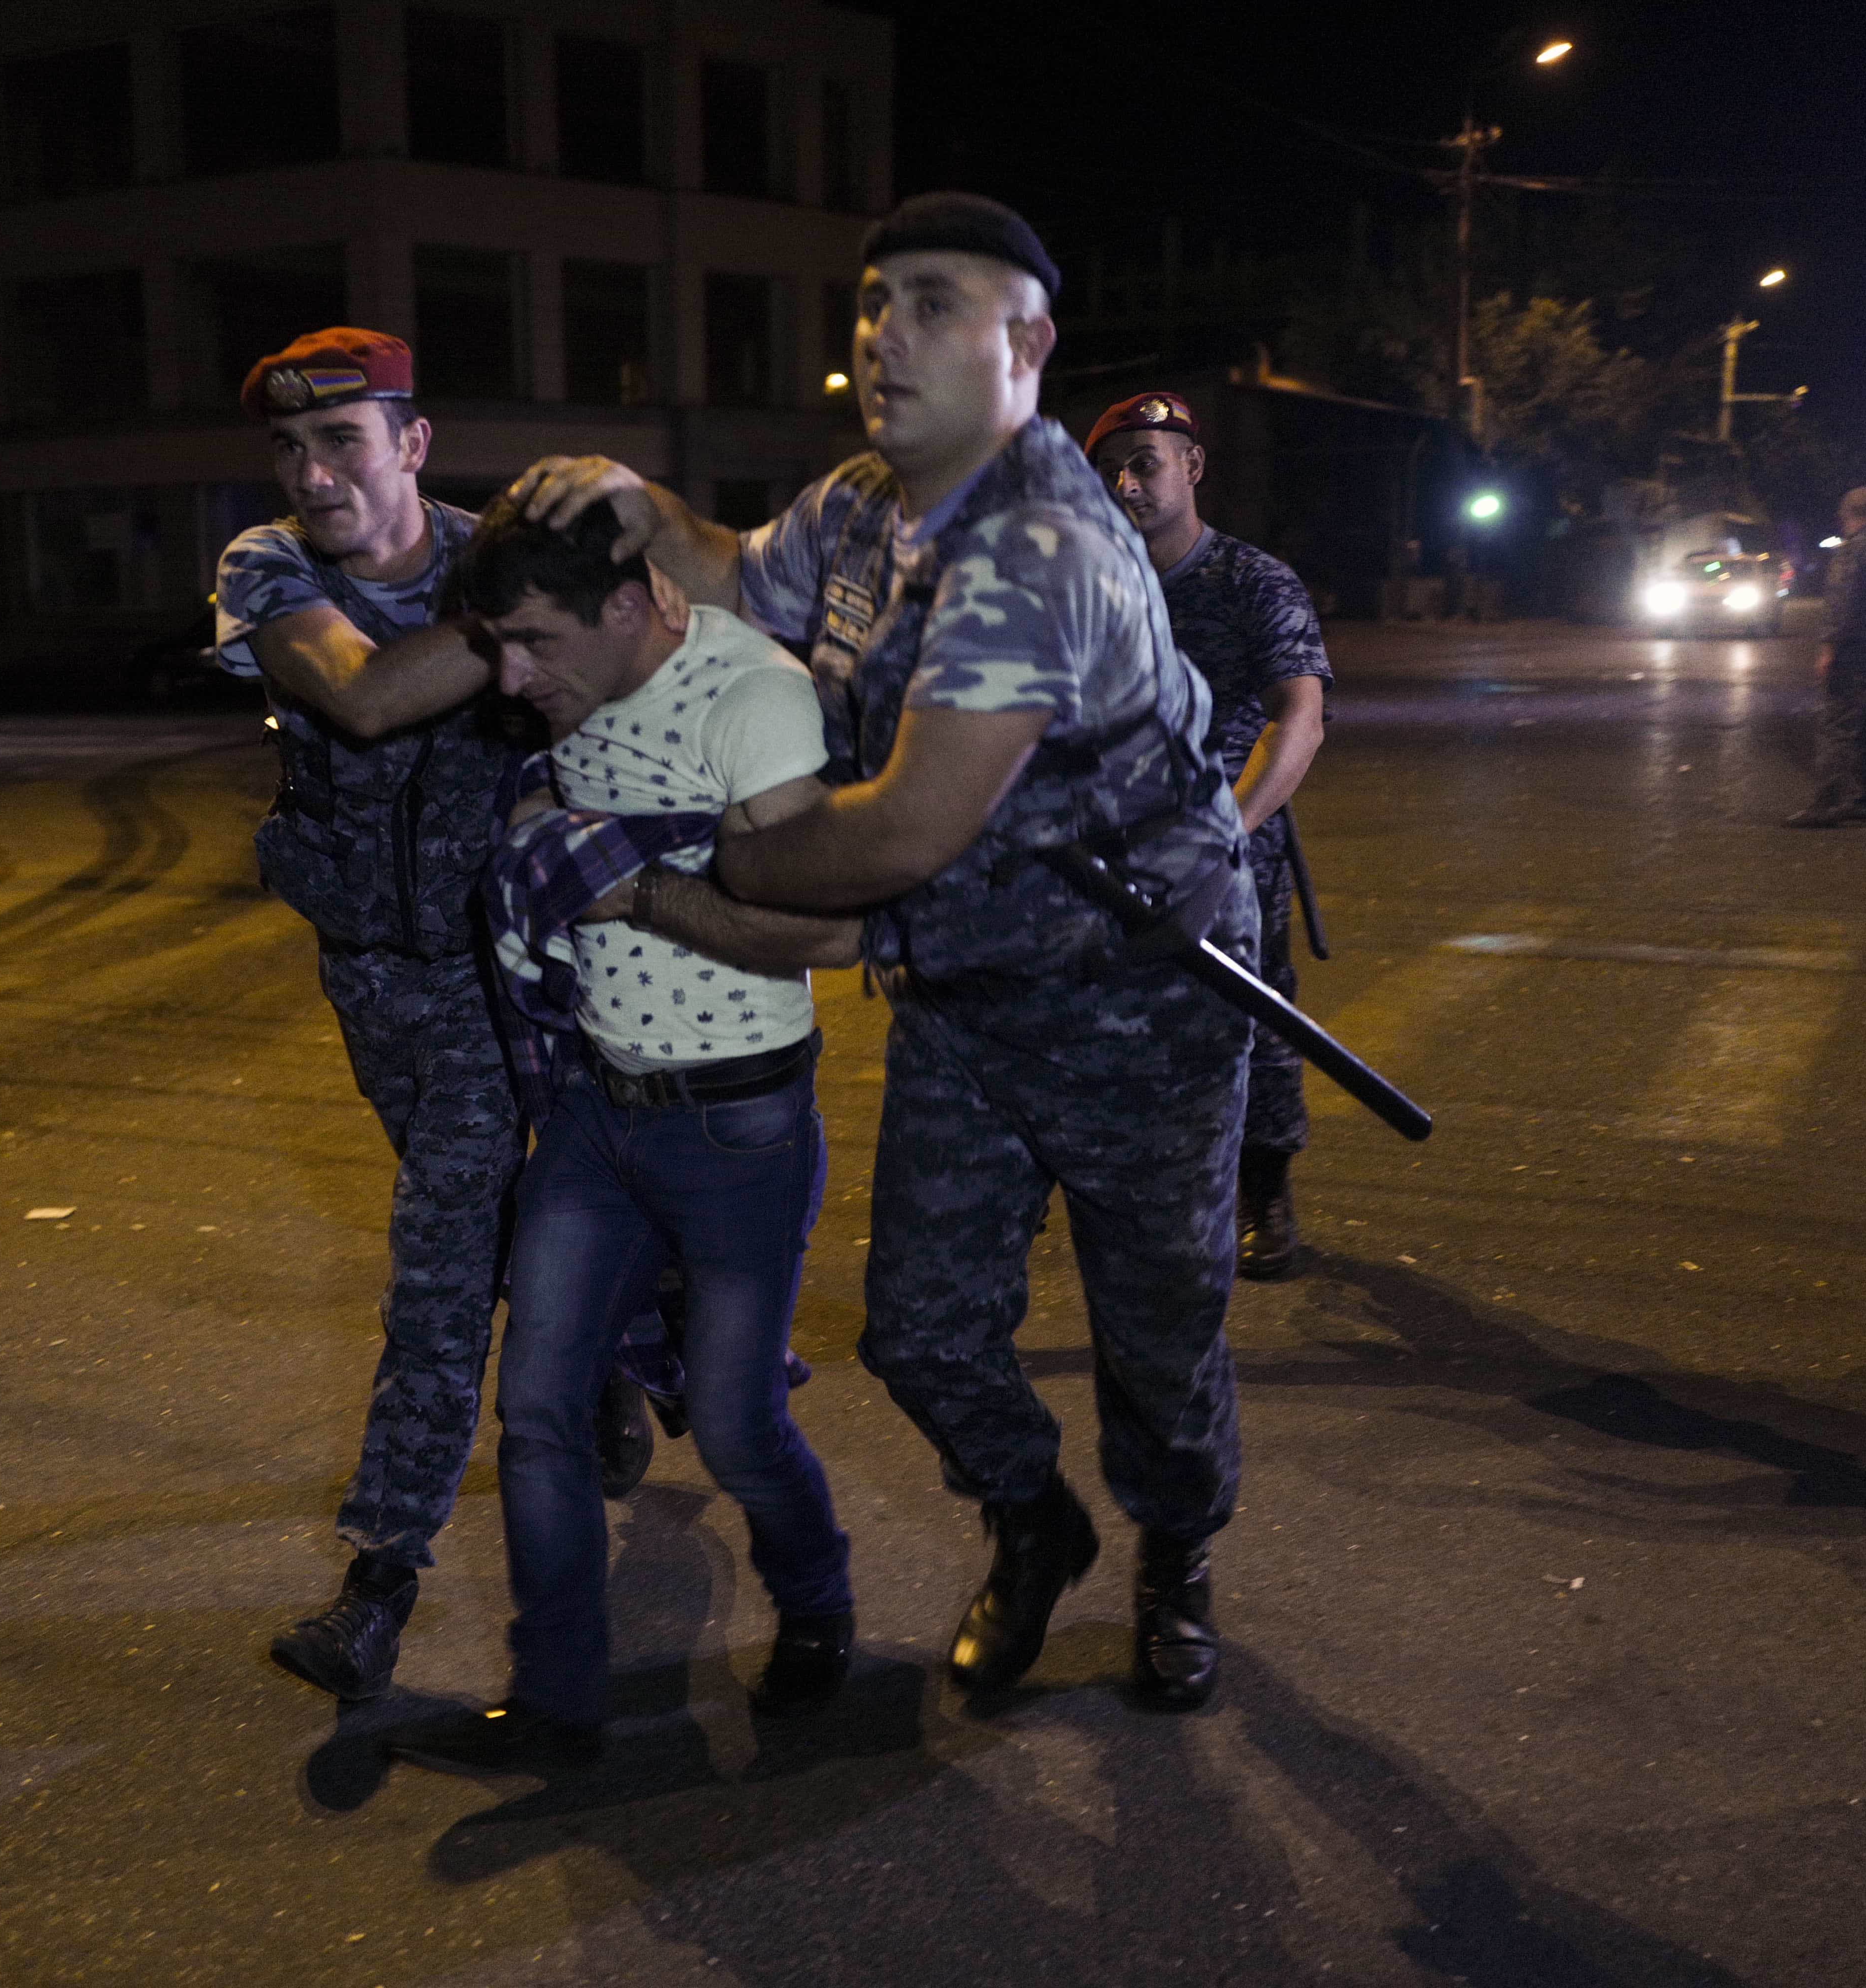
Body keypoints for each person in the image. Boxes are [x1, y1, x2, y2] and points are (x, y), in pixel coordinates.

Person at [512, 192, 1255, 1711]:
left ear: (1025, 341)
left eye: (931, 302)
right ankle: (1034, 1523)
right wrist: (641, 505)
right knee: (917, 1330)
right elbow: (737, 573)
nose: (883, 334)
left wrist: (682, 856)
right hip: (969, 997)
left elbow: (902, 829)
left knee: (1158, 1348)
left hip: (1137, 1009)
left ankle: (1175, 1558)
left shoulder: (1038, 540)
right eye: (870, 304)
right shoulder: (865, 501)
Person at [384, 502, 863, 1775]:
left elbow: (836, 932)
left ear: (637, 600)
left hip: (740, 1124)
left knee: (737, 1420)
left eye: (532, 641)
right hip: (597, 1115)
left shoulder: (752, 696)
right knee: (537, 1409)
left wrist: (635, 885)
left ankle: (817, 1607)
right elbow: (567, 795)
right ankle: (558, 1703)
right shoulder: (571, 700)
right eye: (494, 643)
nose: (512, 677)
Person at [216, 328, 649, 1704]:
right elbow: (357, 696)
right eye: (289, 447)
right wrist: (532, 613)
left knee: (443, 1255)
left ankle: (381, 1574)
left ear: (413, 442)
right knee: (490, 1217)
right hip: (374, 975)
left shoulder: (492, 553)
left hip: (514, 970)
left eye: (342, 439)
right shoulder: (266, 566)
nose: (312, 472)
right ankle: (610, 1354)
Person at [1088, 393, 1330, 1279]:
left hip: (1230, 841)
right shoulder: (1087, 589)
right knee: (1095, 1015)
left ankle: (1264, 1188)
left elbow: (1297, 717)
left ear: (1191, 466)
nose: (1127, 484)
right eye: (1112, 469)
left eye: (1145, 462)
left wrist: (1229, 829)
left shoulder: (1251, 583)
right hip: (1104, 845)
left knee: (1254, 1019)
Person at [1785, 486, 1866, 828]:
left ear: (1848, 514)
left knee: (1835, 727)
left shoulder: (1854, 552)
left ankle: (1825, 803)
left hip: (1854, 651)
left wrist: (1829, 650)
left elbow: (1842, 605)